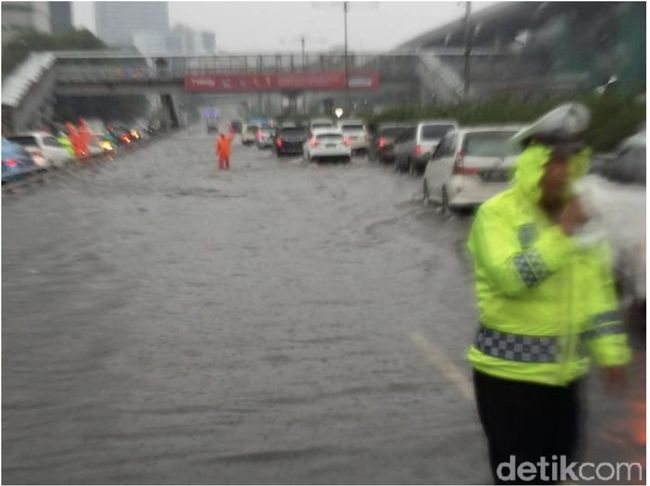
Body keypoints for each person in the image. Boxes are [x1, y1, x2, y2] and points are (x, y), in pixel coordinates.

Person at [466, 104, 631, 484]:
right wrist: (564, 233)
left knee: (556, 472)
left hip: (565, 380)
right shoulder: (496, 215)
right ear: (532, 164)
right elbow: (512, 277)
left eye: (572, 160)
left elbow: (598, 293)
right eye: (554, 161)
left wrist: (612, 353)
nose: (564, 171)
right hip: (508, 381)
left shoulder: (582, 221)